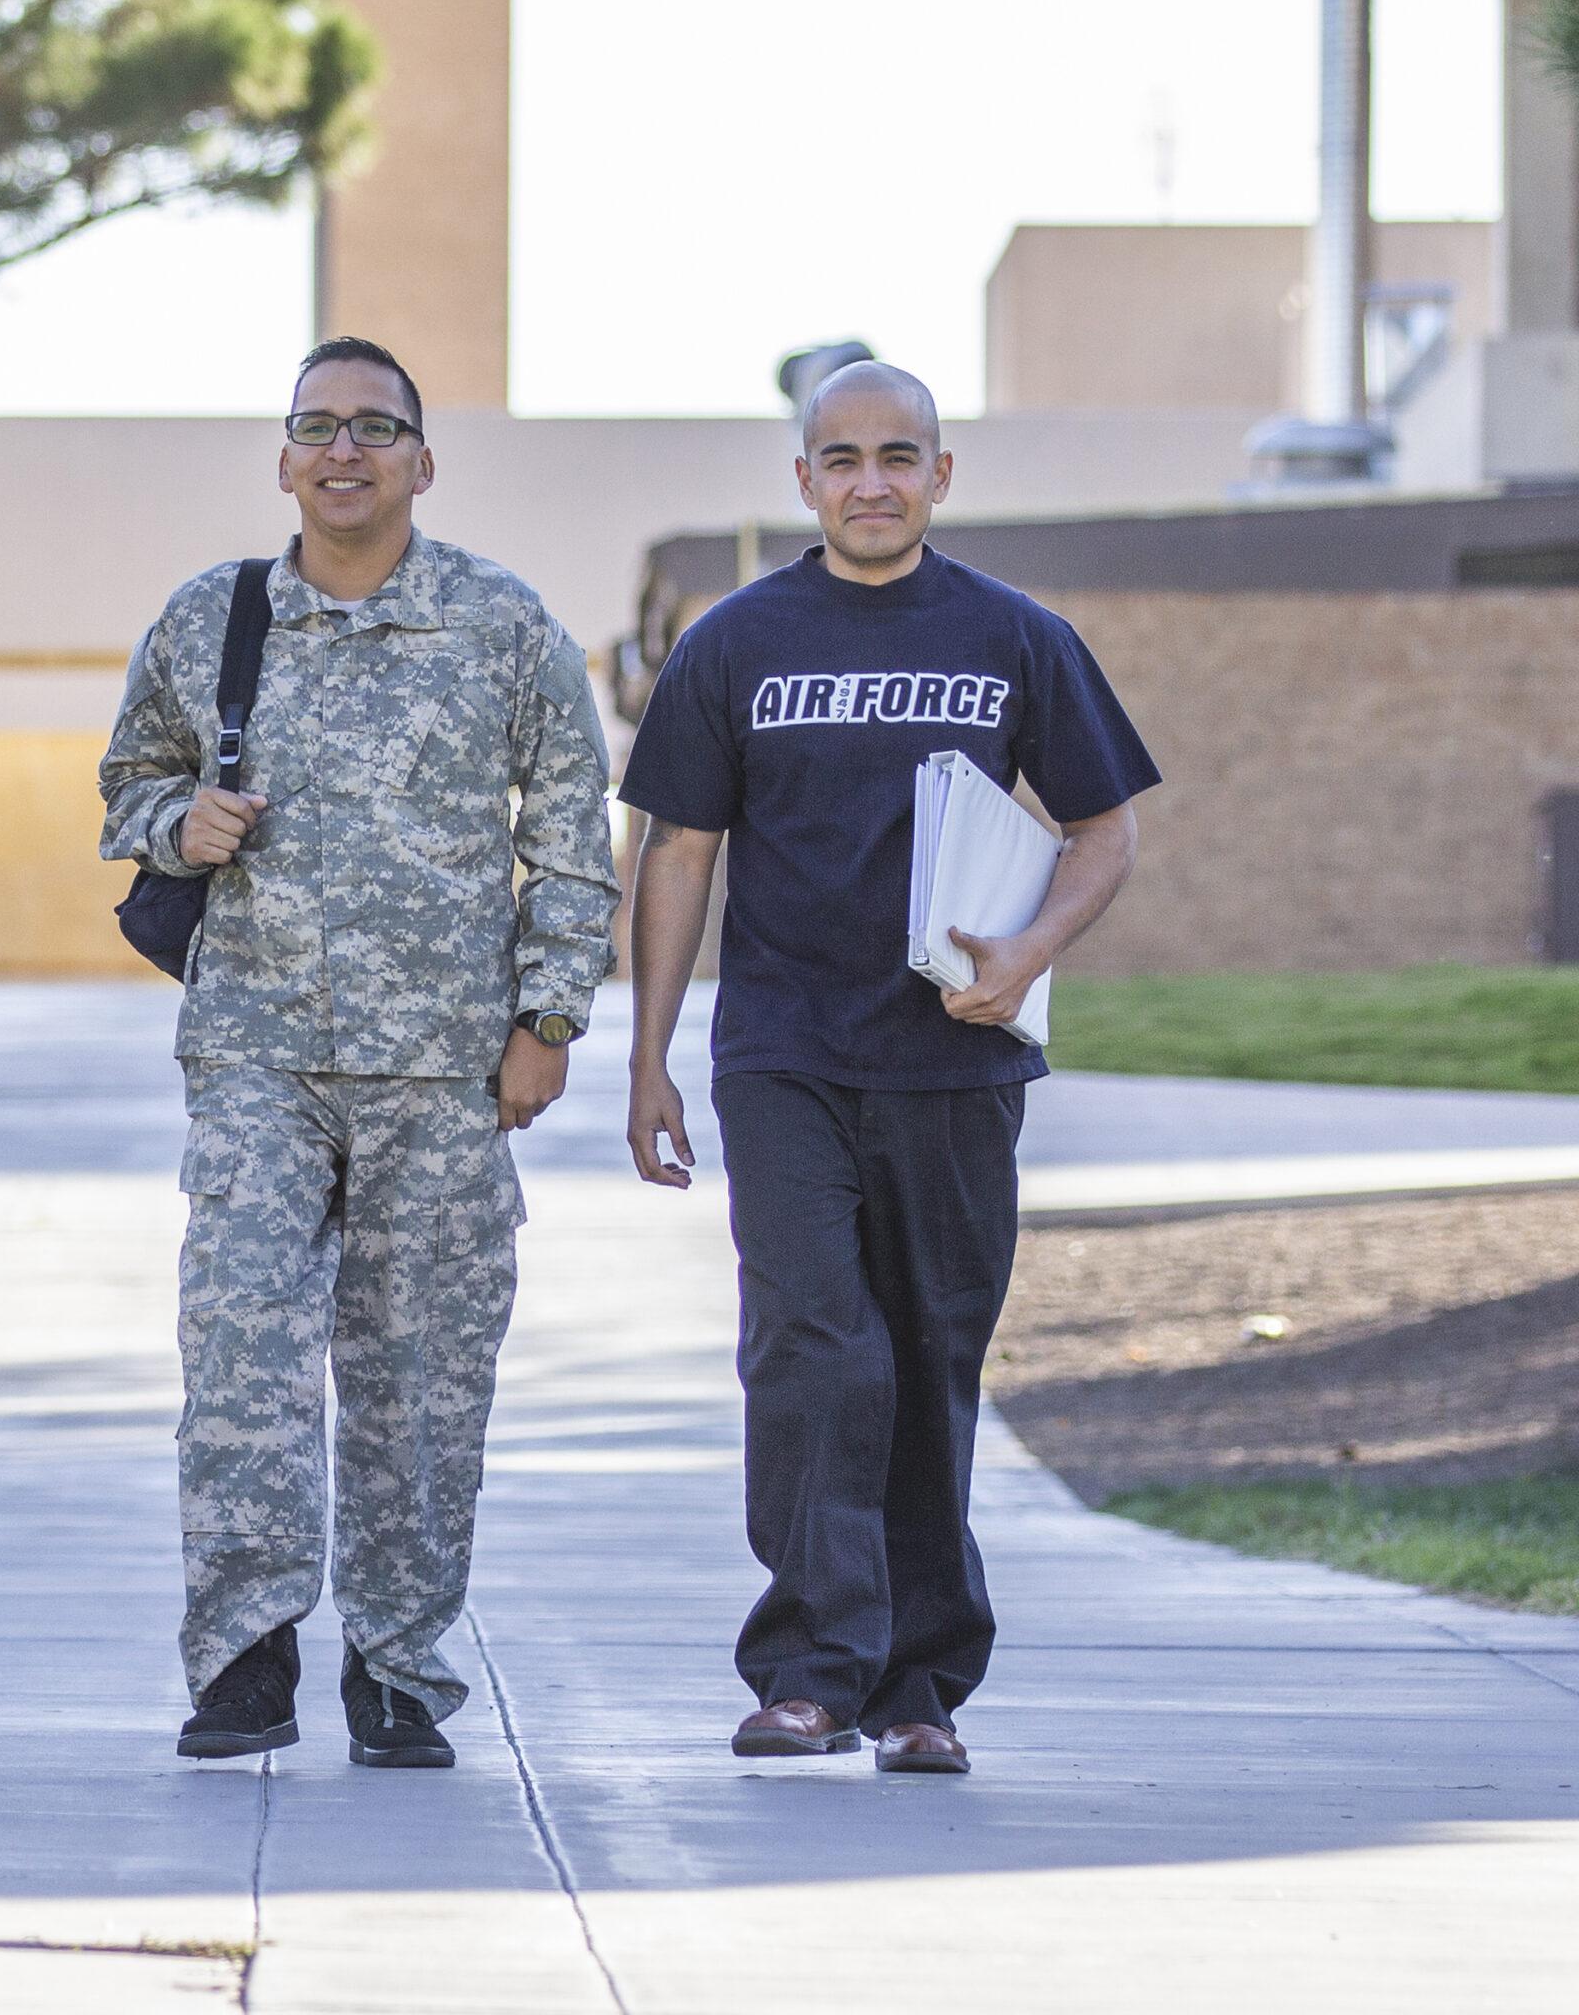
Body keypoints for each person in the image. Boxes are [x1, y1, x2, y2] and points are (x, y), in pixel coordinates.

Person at [620, 361, 1158, 1776]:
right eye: (842, 457)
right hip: (785, 1051)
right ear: (804, 480)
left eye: (898, 456)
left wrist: (1029, 954)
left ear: (940, 475)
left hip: (956, 1063)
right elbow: (678, 851)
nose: (872, 481)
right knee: (810, 1346)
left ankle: (920, 1686)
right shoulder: (735, 642)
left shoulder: (1014, 637)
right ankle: (809, 1667)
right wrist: (650, 1058)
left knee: (926, 1355)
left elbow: (1105, 829)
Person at [100, 337, 618, 1769]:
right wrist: (172, 828)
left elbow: (573, 834)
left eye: (376, 427)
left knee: (423, 1378)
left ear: (421, 461)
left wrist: (549, 1020)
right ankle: (244, 1658)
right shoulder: (215, 618)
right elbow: (128, 778)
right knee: (244, 1358)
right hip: (258, 1054)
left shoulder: (504, 625)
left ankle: (396, 1668)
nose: (346, 450)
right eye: (318, 427)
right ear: (283, 459)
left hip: (447, 1071)